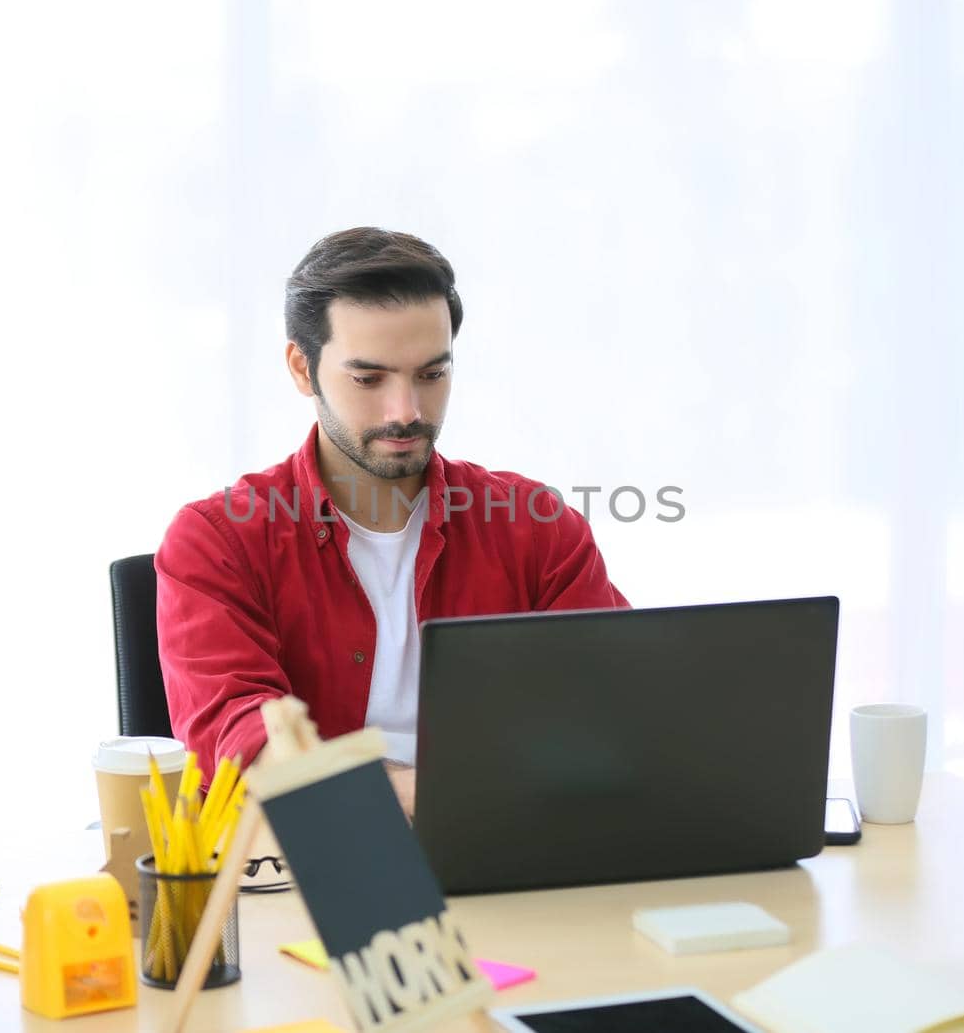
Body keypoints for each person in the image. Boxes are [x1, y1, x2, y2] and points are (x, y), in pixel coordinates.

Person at [156, 227, 627, 814]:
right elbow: (243, 742)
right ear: (302, 369)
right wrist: (432, 793)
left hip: (514, 840)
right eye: (369, 378)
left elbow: (611, 707)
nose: (406, 411)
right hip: (309, 855)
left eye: (432, 375)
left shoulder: (539, 529)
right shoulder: (216, 542)